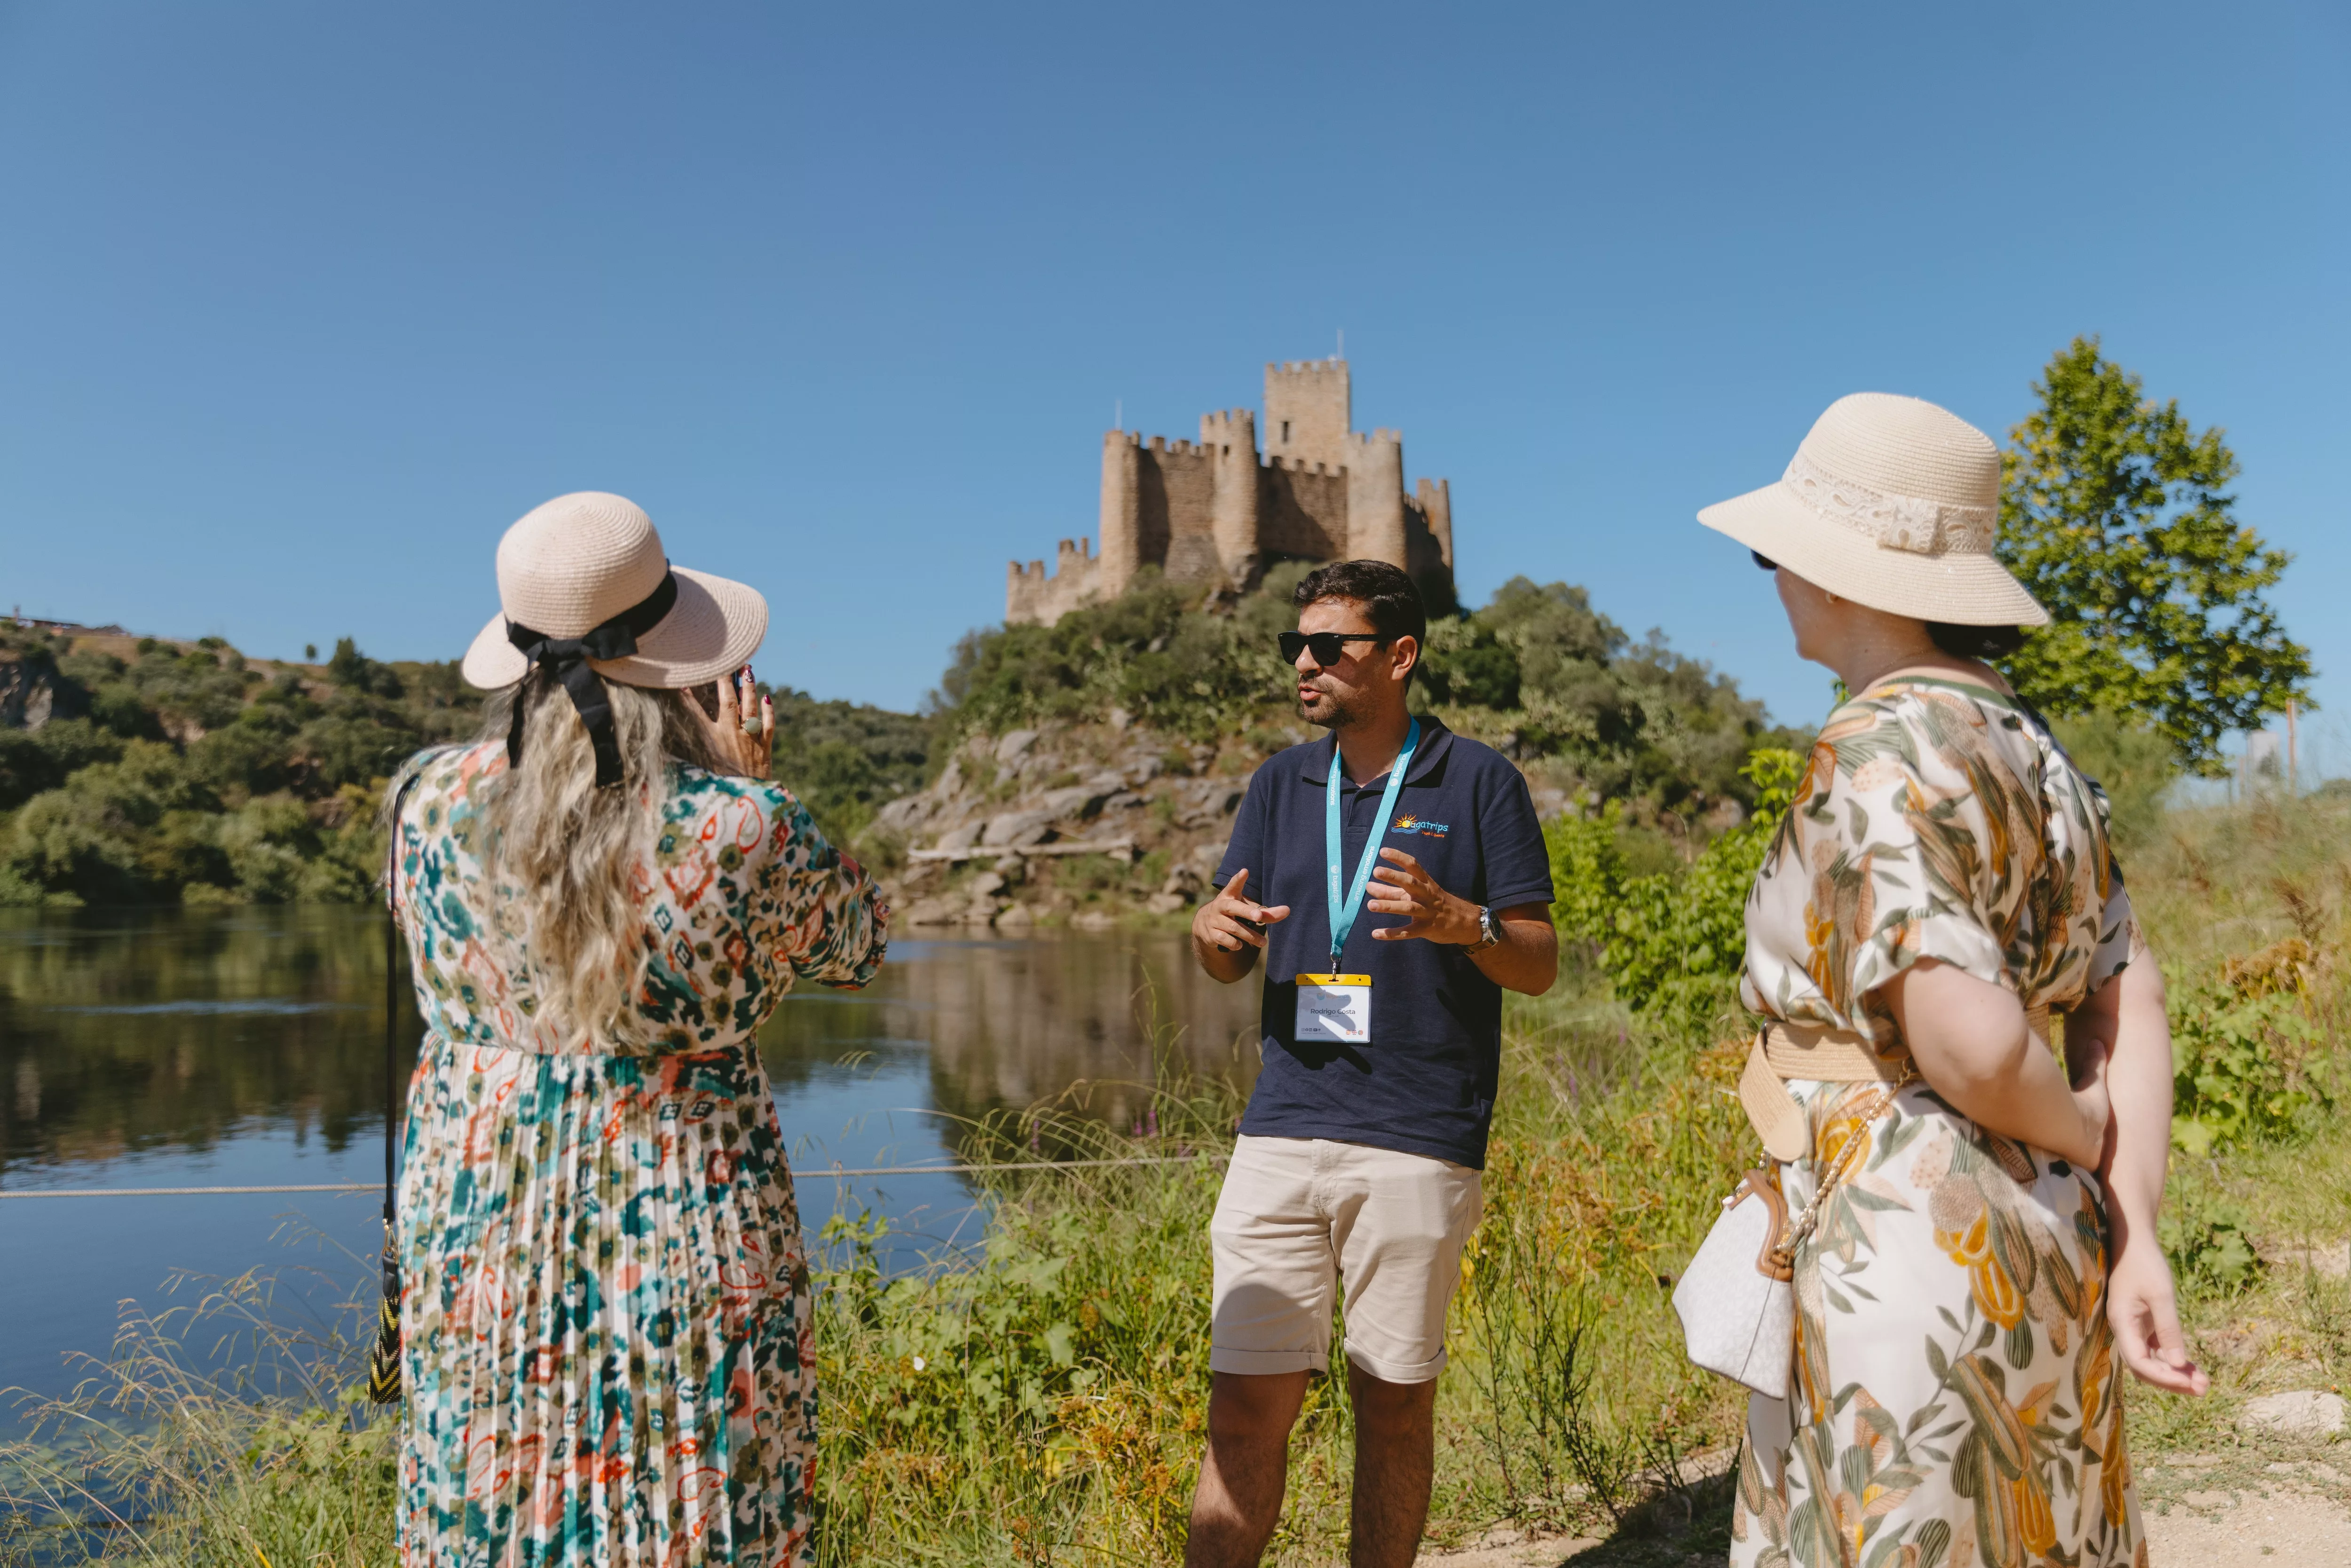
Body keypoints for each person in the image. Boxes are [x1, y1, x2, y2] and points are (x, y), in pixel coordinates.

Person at [1697, 394, 2206, 1567]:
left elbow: (1967, 1041)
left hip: (1906, 1237)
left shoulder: (1874, 750)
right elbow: (2130, 995)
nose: (1770, 577)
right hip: (2051, 1239)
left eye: (1778, 552)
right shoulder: (2039, 754)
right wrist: (2132, 1228)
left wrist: (2072, 1121)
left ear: (1843, 575)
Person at [384, 492, 888, 1568]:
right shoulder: (742, 825)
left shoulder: (421, 800)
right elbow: (857, 937)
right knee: (687, 1500)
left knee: (498, 1497)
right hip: (682, 1224)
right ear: (678, 658)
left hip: (477, 1222)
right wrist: (750, 780)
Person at [1182, 559, 1559, 1568]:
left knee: (1391, 1407)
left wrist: (1459, 920)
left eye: (1327, 646)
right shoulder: (1277, 783)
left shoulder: (1480, 781)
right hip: (1277, 1131)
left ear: (1398, 656)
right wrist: (1210, 929)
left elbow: (1537, 962)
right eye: (1293, 646)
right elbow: (1227, 954)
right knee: (1242, 1405)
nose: (1302, 664)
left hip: (1416, 1137)